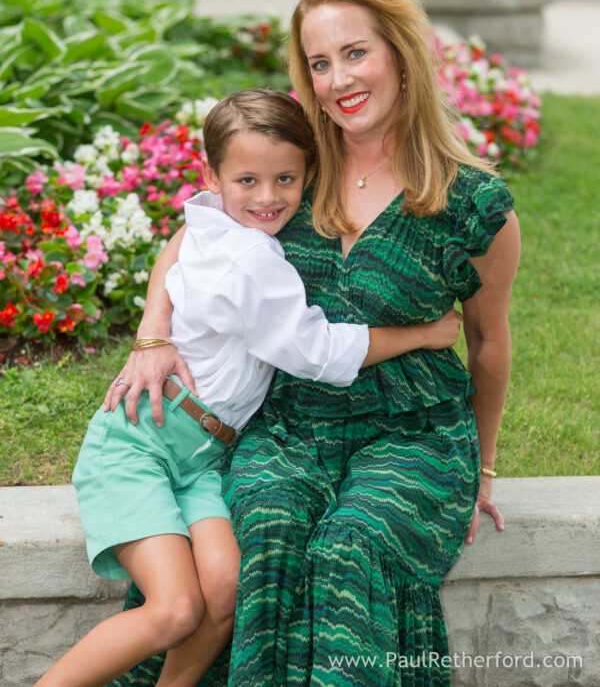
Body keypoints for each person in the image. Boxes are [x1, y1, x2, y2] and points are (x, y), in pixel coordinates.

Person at [106, 0, 520, 687]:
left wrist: (482, 466)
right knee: (262, 530)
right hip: (292, 420)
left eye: (355, 53)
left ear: (399, 53)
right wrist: (153, 333)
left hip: (414, 430)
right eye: (320, 64)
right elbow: (192, 236)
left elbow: (487, 345)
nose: (338, 80)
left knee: (352, 544)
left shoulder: (472, 204)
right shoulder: (294, 169)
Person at [36, 89, 462, 687]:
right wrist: (422, 333)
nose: (267, 197)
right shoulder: (249, 261)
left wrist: (153, 327)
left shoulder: (217, 220)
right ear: (213, 176)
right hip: (139, 445)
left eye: (285, 178)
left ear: (308, 174)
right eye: (248, 181)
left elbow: (182, 237)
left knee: (228, 586)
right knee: (176, 608)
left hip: (204, 454)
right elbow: (316, 351)